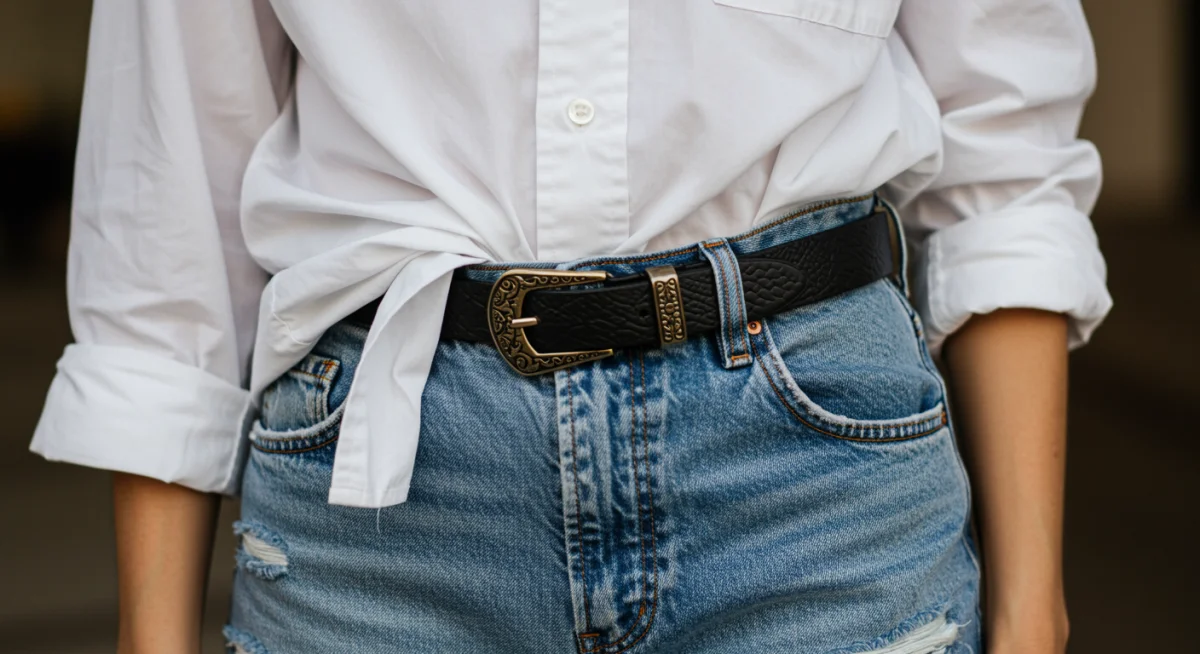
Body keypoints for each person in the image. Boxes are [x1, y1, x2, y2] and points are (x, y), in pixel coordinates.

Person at [31, 1, 1110, 652]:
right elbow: (171, 211)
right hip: (389, 508)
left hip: (813, 483)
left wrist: (1030, 606)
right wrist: (153, 632)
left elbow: (1003, 163)